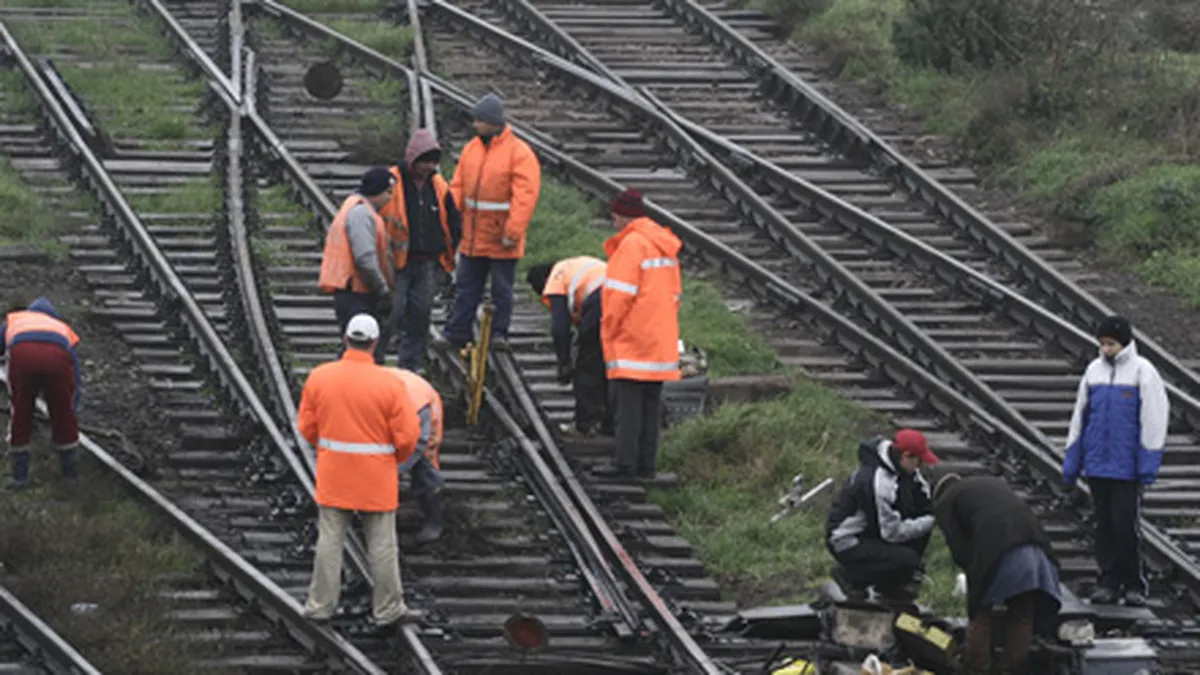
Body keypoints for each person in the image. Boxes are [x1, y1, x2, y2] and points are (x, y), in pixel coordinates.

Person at [296, 314, 420, 625]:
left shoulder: (320, 377)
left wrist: (328, 447)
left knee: (329, 540)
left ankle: (320, 606)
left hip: (334, 473)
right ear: (375, 344)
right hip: (376, 477)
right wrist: (393, 458)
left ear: (345, 339)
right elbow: (407, 436)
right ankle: (388, 609)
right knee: (381, 543)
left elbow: (307, 427)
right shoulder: (390, 384)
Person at [1063, 315, 1169, 607]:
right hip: (1098, 464)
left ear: (1123, 342)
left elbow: (1154, 419)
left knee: (1125, 524)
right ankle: (1108, 578)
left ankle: (1134, 581)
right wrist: (1073, 461)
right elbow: (1080, 418)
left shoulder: (1142, 373)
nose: (1106, 349)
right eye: (1103, 344)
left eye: (1110, 343)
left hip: (1127, 467)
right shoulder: (1093, 372)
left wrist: (1147, 463)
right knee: (1104, 524)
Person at [931, 472, 1062, 675]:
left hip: (1000, 553)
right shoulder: (990, 483)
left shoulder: (946, 501)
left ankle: (977, 669)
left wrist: (975, 578)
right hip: (1036, 551)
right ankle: (1012, 669)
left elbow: (959, 549)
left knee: (981, 613)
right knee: (1021, 613)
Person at [442, 93, 542, 350]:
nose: (475, 125)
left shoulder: (519, 153)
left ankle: (499, 333)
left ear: (493, 122)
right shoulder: (471, 149)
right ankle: (458, 331)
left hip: (501, 238)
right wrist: (450, 218)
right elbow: (458, 185)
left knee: (501, 290)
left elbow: (525, 197)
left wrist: (513, 231)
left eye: (480, 120)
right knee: (466, 288)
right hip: (473, 237)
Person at [594, 189, 681, 479]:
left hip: (633, 337)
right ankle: (647, 464)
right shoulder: (663, 244)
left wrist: (609, 329)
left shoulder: (631, 246)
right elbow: (675, 295)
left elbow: (619, 297)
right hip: (660, 337)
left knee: (628, 405)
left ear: (621, 216)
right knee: (650, 404)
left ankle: (624, 463)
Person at [381, 129, 462, 372]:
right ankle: (375, 362)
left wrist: (446, 256)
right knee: (391, 315)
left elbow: (453, 221)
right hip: (396, 263)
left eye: (432, 161)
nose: (428, 167)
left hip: (427, 262)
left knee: (420, 316)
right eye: (424, 161)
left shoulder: (438, 186)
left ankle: (410, 367)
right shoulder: (391, 181)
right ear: (412, 158)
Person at [825, 429, 938, 601]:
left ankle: (889, 586)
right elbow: (890, 533)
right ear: (906, 456)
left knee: (919, 534)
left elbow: (924, 500)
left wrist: (934, 511)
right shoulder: (877, 482)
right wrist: (931, 521)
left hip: (873, 530)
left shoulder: (907, 470)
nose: (920, 466)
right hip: (847, 539)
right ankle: (849, 576)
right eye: (919, 460)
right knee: (907, 560)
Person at [526, 256, 613, 436]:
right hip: (624, 296)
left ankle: (584, 424)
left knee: (587, 364)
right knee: (611, 362)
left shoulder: (556, 279)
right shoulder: (576, 267)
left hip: (601, 300)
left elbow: (560, 328)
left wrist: (564, 362)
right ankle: (611, 423)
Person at [1, 298, 82, 488]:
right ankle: (69, 475)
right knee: (63, 416)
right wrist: (73, 404)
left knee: (21, 413)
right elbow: (75, 372)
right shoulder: (62, 328)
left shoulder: (15, 320)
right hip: (57, 358)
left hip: (22, 354)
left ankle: (19, 477)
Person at [318, 167, 396, 363]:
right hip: (357, 292)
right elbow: (365, 259)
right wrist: (383, 290)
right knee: (361, 352)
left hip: (353, 290)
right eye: (388, 192)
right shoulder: (361, 213)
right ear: (376, 191)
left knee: (354, 351)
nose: (390, 198)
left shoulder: (357, 208)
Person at [385, 367, 446, 545]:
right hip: (392, 412)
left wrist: (395, 470)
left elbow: (418, 443)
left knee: (425, 461)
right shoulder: (368, 391)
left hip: (422, 413)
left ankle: (433, 522)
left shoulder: (416, 404)